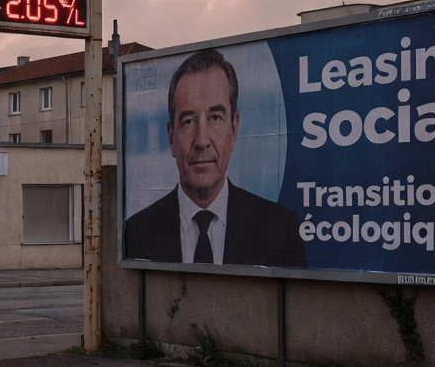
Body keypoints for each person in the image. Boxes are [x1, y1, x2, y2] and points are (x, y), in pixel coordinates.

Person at [124, 48, 306, 267]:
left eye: (215, 118)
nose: (202, 141)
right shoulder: (136, 233)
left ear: (234, 129)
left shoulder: (280, 230)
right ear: (172, 138)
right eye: (188, 121)